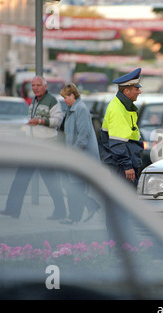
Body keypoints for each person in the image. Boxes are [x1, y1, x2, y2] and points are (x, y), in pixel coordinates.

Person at [0, 76, 67, 220]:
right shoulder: (34, 101)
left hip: (45, 147)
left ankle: (61, 211)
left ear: (45, 86)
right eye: (33, 85)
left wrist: (40, 121)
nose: (35, 88)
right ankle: (12, 209)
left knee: (51, 181)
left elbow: (57, 120)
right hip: (33, 147)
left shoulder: (52, 101)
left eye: (38, 85)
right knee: (20, 179)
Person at [59, 83, 101, 224]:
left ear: (72, 95)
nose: (64, 100)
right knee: (71, 185)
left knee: (74, 186)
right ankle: (86, 208)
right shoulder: (72, 108)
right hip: (74, 154)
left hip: (80, 156)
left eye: (65, 97)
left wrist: (73, 152)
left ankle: (74, 217)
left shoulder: (80, 109)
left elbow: (83, 136)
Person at [99, 68, 144, 187]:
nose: (139, 92)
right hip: (121, 167)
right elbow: (117, 143)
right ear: (126, 91)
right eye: (136, 89)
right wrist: (127, 166)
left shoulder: (123, 106)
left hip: (123, 164)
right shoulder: (117, 109)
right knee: (125, 202)